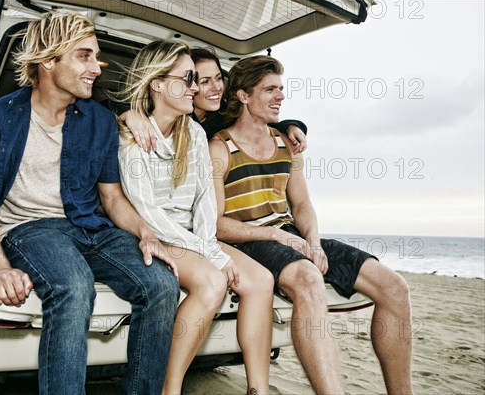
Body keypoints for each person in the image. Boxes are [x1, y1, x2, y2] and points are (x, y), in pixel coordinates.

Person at [0, 13, 180, 395]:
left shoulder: (101, 120)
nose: (96, 67)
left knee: (161, 283)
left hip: (89, 227)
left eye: (96, 57)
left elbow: (112, 197)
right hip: (28, 229)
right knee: (74, 286)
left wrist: (145, 232)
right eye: (84, 56)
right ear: (49, 60)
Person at [208, 55, 413, 395]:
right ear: (243, 96)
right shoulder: (219, 148)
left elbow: (302, 204)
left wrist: (313, 241)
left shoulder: (285, 143)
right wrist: (273, 234)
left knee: (394, 287)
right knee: (308, 277)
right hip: (247, 241)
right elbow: (216, 224)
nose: (280, 97)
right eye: (270, 90)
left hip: (289, 236)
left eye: (281, 89)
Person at [115, 40, 274, 395]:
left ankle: (258, 389)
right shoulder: (130, 137)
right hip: (156, 235)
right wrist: (209, 254)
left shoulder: (195, 133)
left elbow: (204, 203)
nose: (195, 87)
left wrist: (210, 248)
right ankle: (170, 389)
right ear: (157, 83)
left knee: (261, 281)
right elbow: (149, 215)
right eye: (187, 78)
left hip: (195, 236)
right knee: (212, 282)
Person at [121, 47, 308, 155]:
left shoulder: (226, 115)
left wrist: (292, 126)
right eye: (204, 81)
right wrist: (129, 114)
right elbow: (111, 106)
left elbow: (257, 124)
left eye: (219, 78)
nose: (216, 88)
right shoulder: (165, 115)